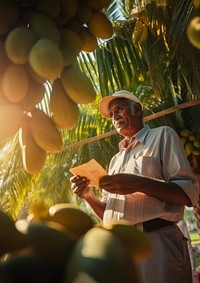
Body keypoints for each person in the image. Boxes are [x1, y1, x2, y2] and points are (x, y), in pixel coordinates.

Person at [70, 90, 199, 283]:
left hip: (158, 244)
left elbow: (188, 194)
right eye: (112, 115)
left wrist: (138, 183)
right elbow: (109, 214)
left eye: (119, 109)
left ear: (137, 109)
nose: (115, 117)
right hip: (122, 249)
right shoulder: (115, 160)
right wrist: (88, 195)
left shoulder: (162, 135)